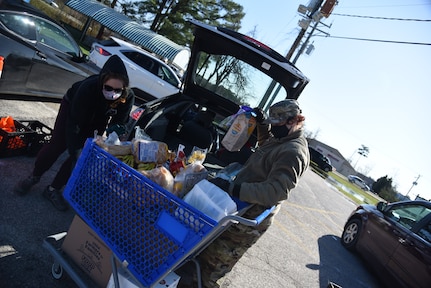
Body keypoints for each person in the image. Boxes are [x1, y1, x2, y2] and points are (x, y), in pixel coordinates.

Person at [176, 99, 310, 287]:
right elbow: (267, 148)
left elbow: (276, 191)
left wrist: (233, 188)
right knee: (204, 252)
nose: (275, 128)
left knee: (213, 266)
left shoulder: (293, 151)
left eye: (277, 124)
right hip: (238, 206)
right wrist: (263, 126)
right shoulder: (282, 139)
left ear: (294, 120)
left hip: (249, 217)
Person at [13, 55, 135, 211]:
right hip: (72, 110)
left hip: (98, 118)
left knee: (80, 156)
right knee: (57, 145)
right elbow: (74, 122)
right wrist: (73, 146)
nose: (113, 92)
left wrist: (116, 129)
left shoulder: (127, 96)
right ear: (102, 82)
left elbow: (120, 119)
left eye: (117, 90)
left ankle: (53, 189)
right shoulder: (88, 87)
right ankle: (34, 176)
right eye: (108, 88)